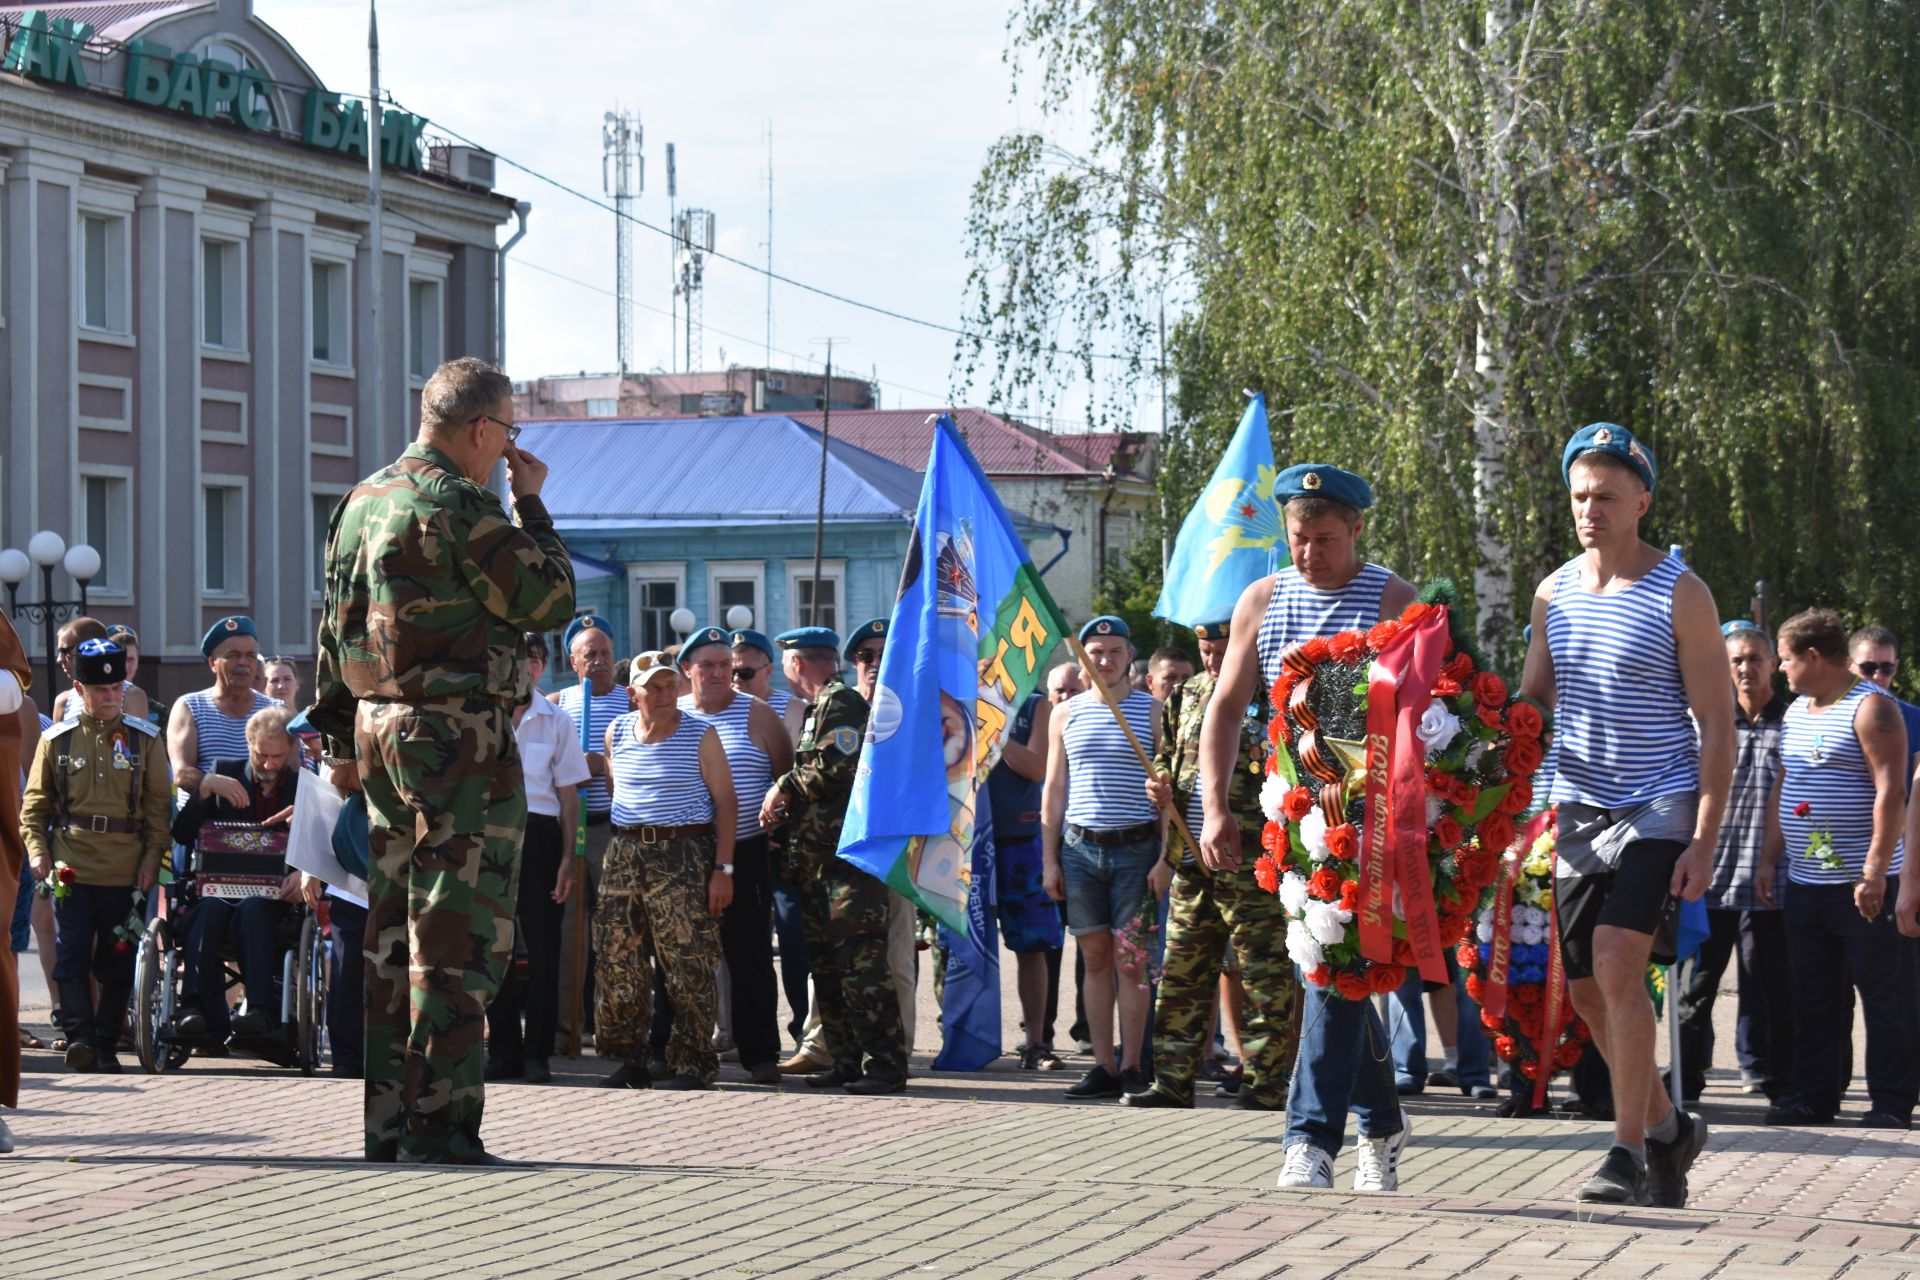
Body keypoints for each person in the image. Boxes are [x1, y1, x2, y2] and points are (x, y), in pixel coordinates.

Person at [310, 355, 575, 1163]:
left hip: (377, 730)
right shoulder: (460, 504)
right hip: (457, 736)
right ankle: (441, 1127)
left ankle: (387, 1125)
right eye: (506, 441)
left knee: (391, 928)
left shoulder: (361, 499)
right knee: (459, 932)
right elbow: (550, 599)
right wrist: (531, 501)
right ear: (481, 430)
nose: (505, 456)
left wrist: (336, 743)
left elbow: (333, 630)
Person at [1517, 423, 1732, 1207]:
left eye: (1606, 496)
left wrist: (1704, 839)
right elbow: (1534, 701)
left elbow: (1718, 721)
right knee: (1583, 993)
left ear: (1641, 500)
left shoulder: (1682, 591)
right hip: (1577, 805)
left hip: (1661, 801)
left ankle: (1626, 1151)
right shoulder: (1554, 590)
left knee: (1616, 961)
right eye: (1579, 496)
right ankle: (1673, 1129)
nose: (1590, 510)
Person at [1199, 463, 1416, 1191]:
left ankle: (1310, 1140)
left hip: (1372, 817)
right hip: (1292, 816)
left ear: (1357, 529)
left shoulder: (1394, 600)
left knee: (1332, 969)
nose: (1310, 554)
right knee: (1334, 971)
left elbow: (1426, 717)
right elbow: (1226, 709)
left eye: (1325, 539)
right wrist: (1216, 805)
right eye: (1298, 538)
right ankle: (1381, 1125)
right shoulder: (1262, 600)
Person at [1128, 616, 1298, 1112]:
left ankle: (1265, 1085)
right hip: (1191, 858)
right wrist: (1158, 781)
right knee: (1182, 972)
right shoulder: (1189, 693)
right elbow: (1172, 757)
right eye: (1206, 652)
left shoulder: (1273, 693)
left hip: (1251, 858)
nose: (1213, 661)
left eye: (1223, 650)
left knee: (1263, 977)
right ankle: (1173, 1081)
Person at [1761, 609, 1915, 1129]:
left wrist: (1874, 869)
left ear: (1812, 657)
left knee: (1884, 993)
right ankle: (1815, 1096)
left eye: (1785, 660)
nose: (1780, 670)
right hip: (1806, 882)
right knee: (1813, 992)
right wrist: (1768, 857)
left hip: (1867, 885)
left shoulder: (1872, 709)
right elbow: (1787, 783)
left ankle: (1892, 1103)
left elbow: (1892, 791)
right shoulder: (1798, 711)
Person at [759, 627, 906, 1095]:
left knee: (862, 968)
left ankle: (884, 1065)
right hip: (818, 865)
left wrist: (782, 784)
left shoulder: (841, 703)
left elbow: (833, 769)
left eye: (787, 661)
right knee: (827, 967)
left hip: (848, 867)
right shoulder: (819, 709)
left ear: (797, 663)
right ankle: (847, 1061)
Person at [20, 640, 170, 1073]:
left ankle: (106, 1044)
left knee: (117, 958)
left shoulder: (144, 741)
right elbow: (35, 807)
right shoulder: (57, 741)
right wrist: (38, 853)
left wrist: (151, 860)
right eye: (100, 687)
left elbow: (159, 809)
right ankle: (80, 1038)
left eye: (116, 686)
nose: (110, 695)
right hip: (71, 865)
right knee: (71, 957)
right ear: (78, 687)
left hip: (126, 867)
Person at [597, 653, 735, 1089]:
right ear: (632, 694)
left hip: (683, 853)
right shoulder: (617, 731)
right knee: (619, 960)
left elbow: (726, 802)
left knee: (688, 961)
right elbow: (614, 786)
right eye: (652, 687)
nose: (663, 695)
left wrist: (722, 869)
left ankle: (693, 1061)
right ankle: (630, 1057)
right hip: (624, 852)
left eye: (669, 685)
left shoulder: (700, 734)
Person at [1042, 615, 1166, 1100]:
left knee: (1131, 961)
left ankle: (1134, 1065)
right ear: (1081, 658)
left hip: (1136, 851)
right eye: (1096, 651)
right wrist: (1049, 860)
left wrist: (1165, 860)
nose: (1106, 660)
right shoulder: (1064, 714)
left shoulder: (1152, 711)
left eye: (1115, 651)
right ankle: (1103, 1065)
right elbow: (1054, 790)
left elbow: (1165, 795)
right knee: (1094, 959)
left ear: (1129, 656)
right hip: (1080, 852)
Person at [1674, 621, 1793, 1102]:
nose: (1746, 668)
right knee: (1694, 992)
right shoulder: (1706, 719)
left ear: (1773, 664)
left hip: (1771, 882)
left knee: (1772, 988)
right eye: (1736, 660)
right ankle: (1685, 1081)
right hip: (1710, 878)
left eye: (1755, 658)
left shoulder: (1795, 719)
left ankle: (1781, 1081)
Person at [678, 625, 793, 1085]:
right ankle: (681, 1049)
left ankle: (760, 1053)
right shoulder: (675, 713)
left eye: (726, 664)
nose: (718, 672)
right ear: (687, 670)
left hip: (746, 851)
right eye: (707, 664)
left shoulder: (759, 715)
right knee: (683, 955)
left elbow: (787, 777)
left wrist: (777, 825)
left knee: (749, 955)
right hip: (684, 852)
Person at [486, 633, 589, 1084]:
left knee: (545, 947)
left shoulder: (556, 720)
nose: (522, 667)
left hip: (541, 833)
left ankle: (538, 1053)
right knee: (494, 946)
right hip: (491, 836)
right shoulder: (482, 716)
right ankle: (503, 1050)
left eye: (530, 659)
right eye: (513, 657)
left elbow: (569, 794)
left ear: (542, 666)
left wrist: (568, 856)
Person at [169, 705, 302, 1048]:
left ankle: (259, 1010)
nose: (270, 765)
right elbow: (183, 833)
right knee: (209, 909)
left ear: (291, 750)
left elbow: (321, 848)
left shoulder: (304, 789)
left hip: (273, 902)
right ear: (248, 745)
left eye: (277, 756)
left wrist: (303, 873)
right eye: (261, 755)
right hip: (216, 893)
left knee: (253, 909)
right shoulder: (223, 773)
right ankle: (192, 1008)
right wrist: (204, 790)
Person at [552, 614, 629, 1050]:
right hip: (571, 833)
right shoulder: (557, 704)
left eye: (605, 654)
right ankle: (567, 1030)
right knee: (570, 937)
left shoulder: (631, 701)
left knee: (617, 936)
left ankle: (616, 1031)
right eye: (590, 655)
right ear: (573, 661)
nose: (599, 662)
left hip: (613, 832)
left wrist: (600, 765)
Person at [843, 617, 919, 1052]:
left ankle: (901, 1047)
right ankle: (840, 1048)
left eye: (883, 654)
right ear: (854, 662)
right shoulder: (837, 708)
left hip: (895, 847)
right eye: (865, 656)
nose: (874, 663)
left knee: (896, 955)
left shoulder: (914, 709)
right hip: (845, 849)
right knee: (838, 956)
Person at [732, 627, 811, 1048]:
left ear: (767, 670)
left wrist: (779, 829)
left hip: (783, 845)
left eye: (745, 672)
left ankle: (802, 1029)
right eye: (731, 670)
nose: (735, 680)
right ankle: (745, 1033)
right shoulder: (725, 709)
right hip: (739, 843)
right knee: (746, 944)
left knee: (794, 940)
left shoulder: (792, 708)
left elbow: (797, 777)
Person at [985, 666, 1065, 1070]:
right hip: (967, 843)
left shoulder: (1035, 705)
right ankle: (965, 1039)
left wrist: (993, 730)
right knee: (959, 948)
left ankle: (1035, 1042)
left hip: (1021, 841)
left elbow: (1036, 767)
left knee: (1032, 946)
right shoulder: (955, 705)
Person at [168, 617, 277, 802]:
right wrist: (211, 782)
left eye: (250, 656)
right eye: (233, 655)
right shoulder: (190, 707)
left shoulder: (274, 710)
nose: (243, 662)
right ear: (213, 663)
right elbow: (182, 773)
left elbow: (290, 771)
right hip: (203, 822)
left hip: (259, 821)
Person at [1849, 626, 1920, 782]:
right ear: (1849, 665)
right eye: (1868, 668)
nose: (1878, 675)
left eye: (1887, 668)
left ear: (1896, 666)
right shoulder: (1830, 716)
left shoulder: (1915, 719)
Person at [51, 619, 151, 725]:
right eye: (59, 652)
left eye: (65, 651)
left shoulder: (130, 695)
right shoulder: (64, 702)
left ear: (90, 647)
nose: (59, 659)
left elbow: (137, 740)